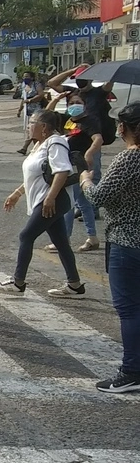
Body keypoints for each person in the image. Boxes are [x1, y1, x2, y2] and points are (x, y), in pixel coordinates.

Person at [0, 110, 86, 299]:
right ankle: (75, 285)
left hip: (52, 200)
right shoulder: (39, 145)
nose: (28, 125)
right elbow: (35, 176)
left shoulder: (55, 142)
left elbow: (62, 171)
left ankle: (18, 282)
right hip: (45, 199)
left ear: (43, 127)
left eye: (32, 122)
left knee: (26, 236)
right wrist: (17, 193)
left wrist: (50, 198)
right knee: (61, 242)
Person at [81, 102, 140, 393]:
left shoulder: (129, 159)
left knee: (129, 310)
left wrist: (85, 180)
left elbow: (98, 198)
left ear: (124, 128)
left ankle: (131, 371)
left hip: (128, 242)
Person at [44, 90, 102, 253]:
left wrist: (89, 154)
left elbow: (98, 139)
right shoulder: (66, 120)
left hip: (79, 166)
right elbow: (47, 114)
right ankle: (92, 238)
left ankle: (63, 240)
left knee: (69, 203)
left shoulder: (89, 120)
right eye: (71, 103)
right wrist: (57, 98)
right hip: (67, 164)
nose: (74, 106)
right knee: (84, 203)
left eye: (78, 103)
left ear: (84, 105)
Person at [18, 71, 47, 155]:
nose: (25, 78)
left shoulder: (36, 85)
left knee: (33, 129)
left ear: (32, 77)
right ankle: (37, 149)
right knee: (31, 130)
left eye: (27, 76)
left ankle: (25, 147)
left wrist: (31, 100)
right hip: (28, 111)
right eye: (24, 76)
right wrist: (20, 110)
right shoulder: (24, 86)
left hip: (36, 110)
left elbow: (41, 94)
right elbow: (23, 99)